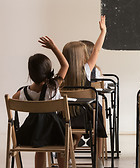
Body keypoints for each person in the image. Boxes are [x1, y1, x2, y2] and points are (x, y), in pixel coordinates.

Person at [12, 36, 69, 168]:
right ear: (49, 71)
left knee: (40, 149)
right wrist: (54, 47)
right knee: (61, 147)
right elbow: (65, 65)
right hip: (55, 131)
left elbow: (11, 101)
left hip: (33, 134)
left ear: (31, 74)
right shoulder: (53, 86)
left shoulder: (23, 92)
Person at [62, 15, 107, 168]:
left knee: (74, 133)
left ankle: (67, 156)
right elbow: (97, 49)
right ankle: (97, 157)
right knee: (97, 112)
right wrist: (103, 31)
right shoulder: (86, 70)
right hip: (86, 118)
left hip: (65, 118)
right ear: (83, 57)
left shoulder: (61, 76)